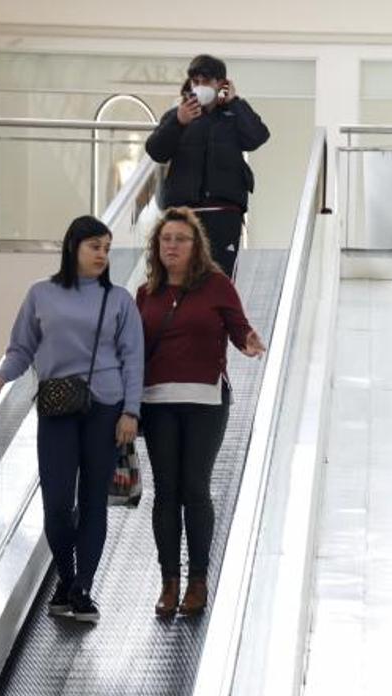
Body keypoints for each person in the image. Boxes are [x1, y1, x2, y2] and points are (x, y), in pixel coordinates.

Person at [0, 215, 143, 624]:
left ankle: (82, 587)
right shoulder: (41, 294)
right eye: (94, 246)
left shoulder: (118, 299)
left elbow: (133, 359)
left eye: (106, 247)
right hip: (56, 407)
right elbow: (21, 349)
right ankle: (66, 578)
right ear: (73, 247)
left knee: (93, 503)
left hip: (105, 407)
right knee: (56, 503)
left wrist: (131, 411)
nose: (102, 254)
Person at [136, 207, 265, 617]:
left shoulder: (216, 286)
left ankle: (198, 581)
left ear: (196, 247)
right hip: (157, 401)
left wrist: (248, 340)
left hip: (205, 399)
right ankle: (168, 582)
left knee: (195, 487)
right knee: (165, 492)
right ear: (157, 246)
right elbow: (132, 348)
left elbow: (238, 327)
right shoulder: (146, 292)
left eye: (181, 239)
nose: (172, 246)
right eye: (166, 239)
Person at [145, 55, 270, 277]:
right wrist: (178, 122)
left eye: (206, 81)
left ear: (221, 83)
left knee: (219, 276)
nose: (200, 86)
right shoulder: (177, 115)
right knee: (181, 275)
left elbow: (257, 137)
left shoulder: (234, 114)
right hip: (184, 211)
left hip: (225, 212)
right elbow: (156, 151)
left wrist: (234, 102)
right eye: (196, 81)